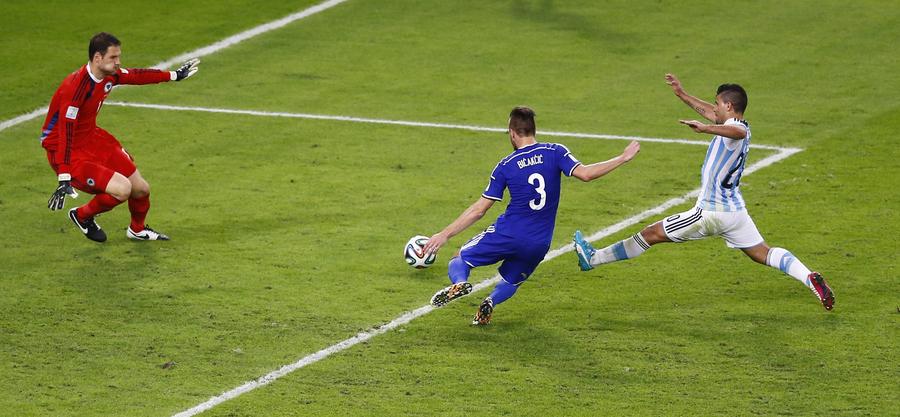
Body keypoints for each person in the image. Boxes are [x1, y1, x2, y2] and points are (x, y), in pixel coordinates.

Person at [573, 74, 834, 310]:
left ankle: (593, 258)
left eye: (718, 104)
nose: (714, 108)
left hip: (710, 212)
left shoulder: (737, 130)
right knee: (763, 253)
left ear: (729, 107)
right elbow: (715, 116)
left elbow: (733, 130)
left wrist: (705, 128)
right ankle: (809, 278)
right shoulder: (737, 124)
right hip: (735, 212)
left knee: (651, 233)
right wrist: (682, 94)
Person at [422, 106, 640, 325]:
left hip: (508, 232)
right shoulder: (556, 151)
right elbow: (585, 174)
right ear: (533, 129)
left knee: (460, 258)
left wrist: (445, 234)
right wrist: (622, 158)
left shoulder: (505, 166)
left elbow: (480, 209)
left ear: (512, 133)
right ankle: (490, 302)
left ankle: (460, 282)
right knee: (513, 280)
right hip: (539, 241)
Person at [42, 32, 200, 242]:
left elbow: (135, 75)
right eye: (113, 58)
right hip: (67, 150)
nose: (118, 63)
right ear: (97, 58)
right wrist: (63, 176)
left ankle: (137, 229)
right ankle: (82, 215)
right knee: (122, 189)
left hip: (93, 139)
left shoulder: (108, 74)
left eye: (118, 57)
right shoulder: (77, 88)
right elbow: (66, 131)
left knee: (141, 189)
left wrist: (173, 75)